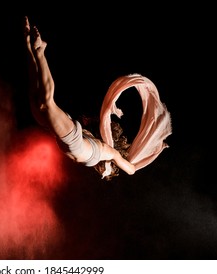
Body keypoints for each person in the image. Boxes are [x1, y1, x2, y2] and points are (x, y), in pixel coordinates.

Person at [24, 16, 136, 180]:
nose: (105, 175)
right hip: (73, 139)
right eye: (111, 173)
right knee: (45, 104)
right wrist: (147, 151)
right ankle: (40, 53)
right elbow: (132, 169)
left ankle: (28, 45)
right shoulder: (108, 152)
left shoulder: (94, 144)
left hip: (67, 137)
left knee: (35, 100)